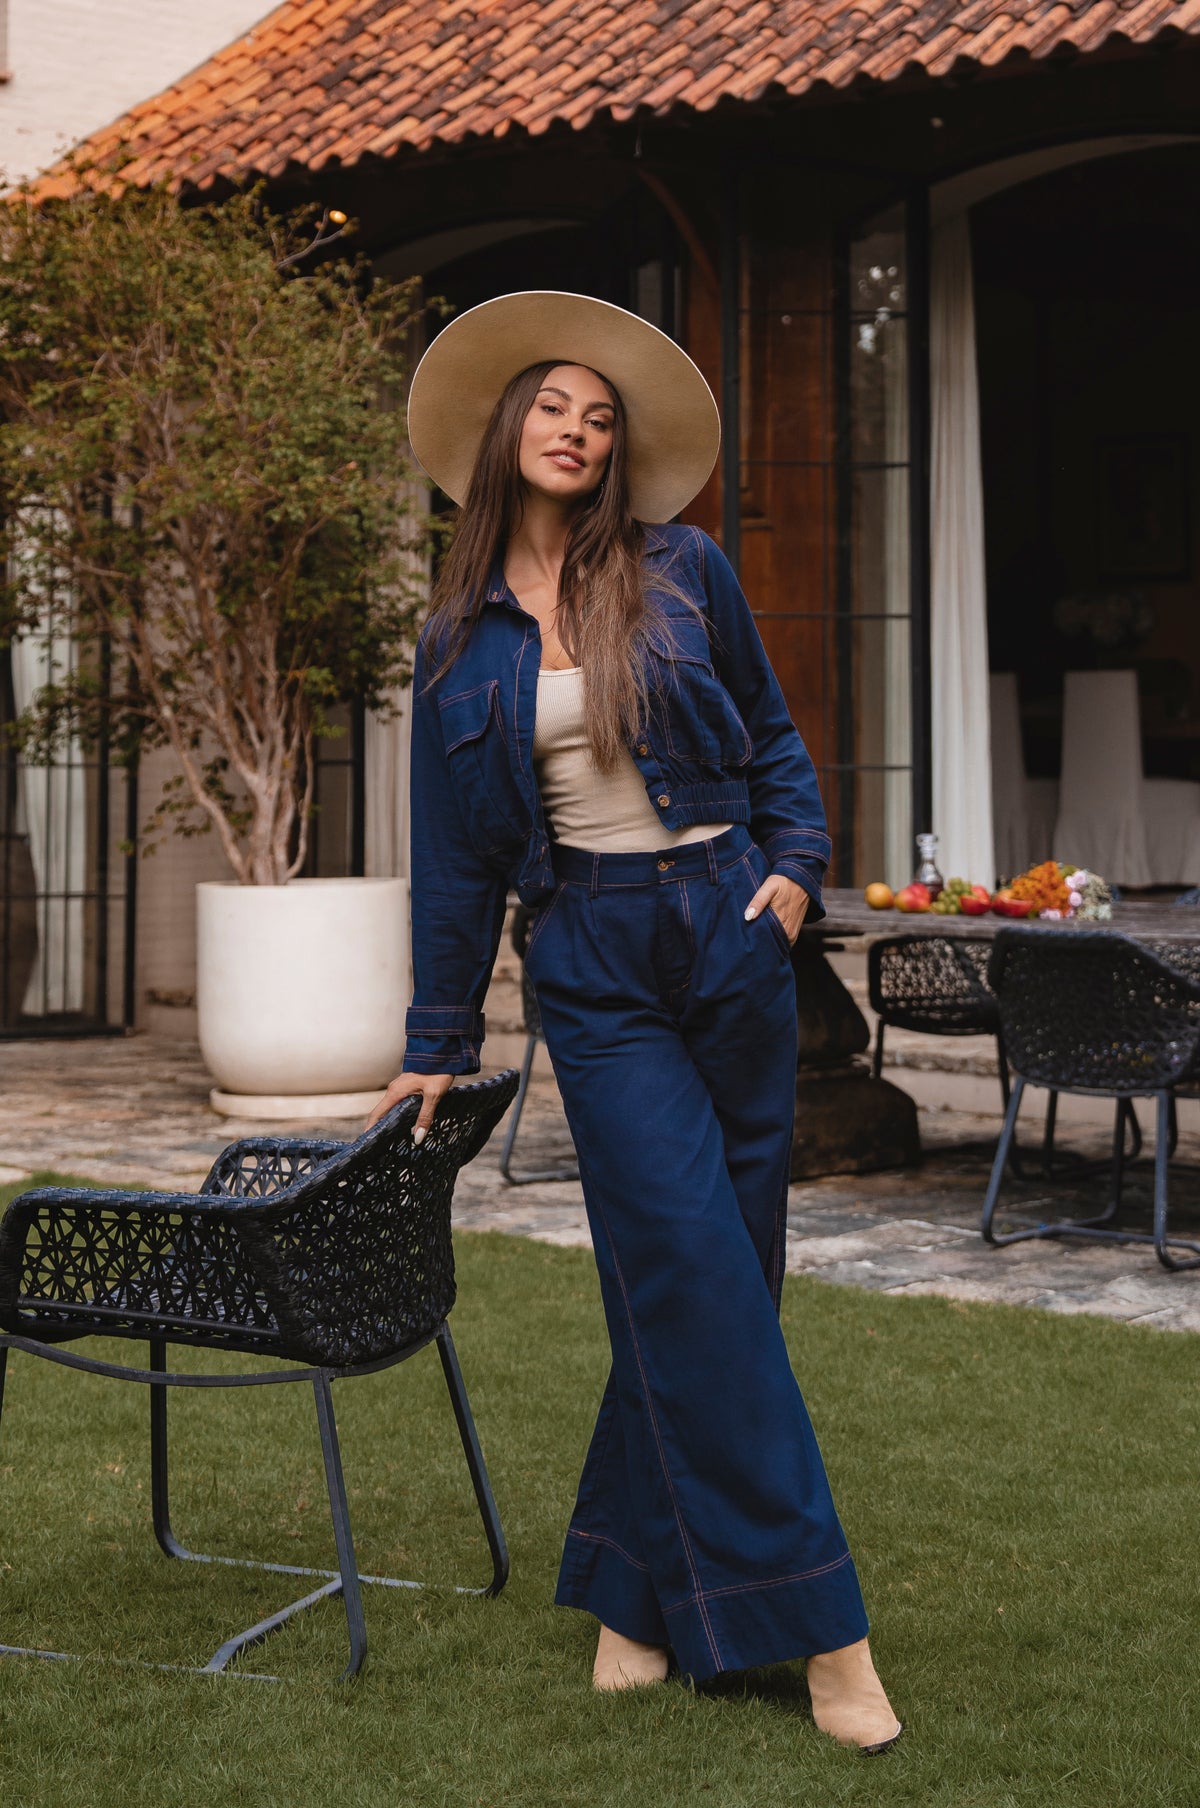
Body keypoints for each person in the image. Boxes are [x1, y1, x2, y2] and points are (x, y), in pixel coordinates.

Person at [370, 291, 901, 1751]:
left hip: (726, 933)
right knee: (690, 1268)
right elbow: (460, 861)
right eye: (554, 406)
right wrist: (434, 1043)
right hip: (594, 964)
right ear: (504, 431)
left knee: (720, 1280)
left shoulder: (684, 572)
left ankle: (630, 1592)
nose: (578, 430)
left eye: (600, 419)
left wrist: (794, 875)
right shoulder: (457, 645)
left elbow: (777, 734)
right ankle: (827, 1635)